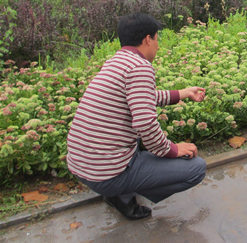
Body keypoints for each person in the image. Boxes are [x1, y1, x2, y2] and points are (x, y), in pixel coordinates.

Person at [67, 13, 207, 220]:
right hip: (105, 174)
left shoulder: (117, 62)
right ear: (148, 39)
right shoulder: (140, 67)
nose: (158, 46)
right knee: (196, 168)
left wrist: (183, 93)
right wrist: (172, 150)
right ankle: (121, 194)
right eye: (157, 39)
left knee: (137, 135)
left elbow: (142, 99)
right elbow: (145, 123)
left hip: (83, 166)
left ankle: (118, 190)